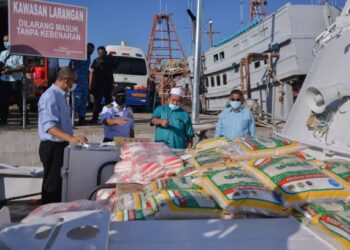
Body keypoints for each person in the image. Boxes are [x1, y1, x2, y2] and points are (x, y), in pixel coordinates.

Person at [38, 67, 88, 204]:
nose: (74, 85)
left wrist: (72, 137)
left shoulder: (60, 96)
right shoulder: (50, 96)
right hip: (52, 146)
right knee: (52, 186)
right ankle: (48, 217)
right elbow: (49, 128)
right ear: (66, 81)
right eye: (73, 82)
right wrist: (71, 139)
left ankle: (56, 214)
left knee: (59, 185)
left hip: (60, 145)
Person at [0, 34, 27, 125]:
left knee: (19, 101)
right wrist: (2, 67)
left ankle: (25, 119)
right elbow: (1, 64)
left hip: (15, 80)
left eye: (7, 41)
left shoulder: (19, 53)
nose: (5, 43)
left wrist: (11, 70)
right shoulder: (2, 53)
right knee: (3, 101)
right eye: (4, 41)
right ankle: (3, 120)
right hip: (4, 80)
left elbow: (22, 66)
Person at [69, 43, 95, 126]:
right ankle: (70, 119)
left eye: (92, 49)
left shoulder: (89, 57)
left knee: (84, 101)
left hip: (84, 83)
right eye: (89, 48)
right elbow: (71, 66)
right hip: (76, 82)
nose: (91, 50)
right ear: (85, 48)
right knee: (76, 101)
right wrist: (73, 79)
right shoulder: (79, 55)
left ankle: (81, 118)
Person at [89, 46, 114, 124]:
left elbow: (116, 65)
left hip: (108, 85)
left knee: (108, 103)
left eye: (102, 53)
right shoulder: (96, 60)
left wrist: (112, 57)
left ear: (105, 52)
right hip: (98, 85)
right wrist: (90, 84)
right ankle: (94, 119)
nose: (101, 54)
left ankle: (108, 119)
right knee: (96, 103)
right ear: (98, 53)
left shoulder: (110, 59)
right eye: (99, 53)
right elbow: (91, 72)